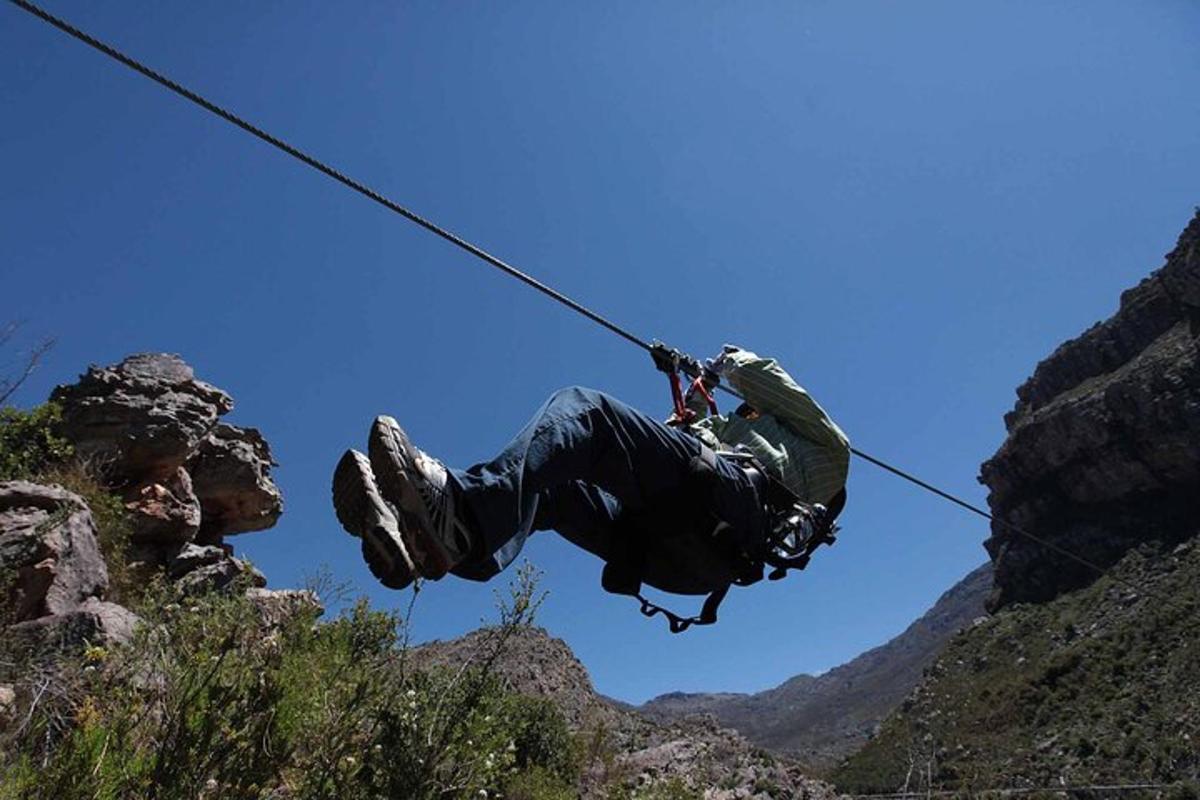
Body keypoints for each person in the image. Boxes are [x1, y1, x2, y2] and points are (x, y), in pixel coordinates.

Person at [331, 345, 850, 626]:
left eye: (750, 413)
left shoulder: (828, 453)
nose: (745, 415)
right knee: (555, 480)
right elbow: (678, 444)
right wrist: (693, 407)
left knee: (587, 411)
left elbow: (776, 386)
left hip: (727, 517)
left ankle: (463, 514)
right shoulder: (725, 437)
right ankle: (448, 544)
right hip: (678, 551)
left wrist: (723, 364)